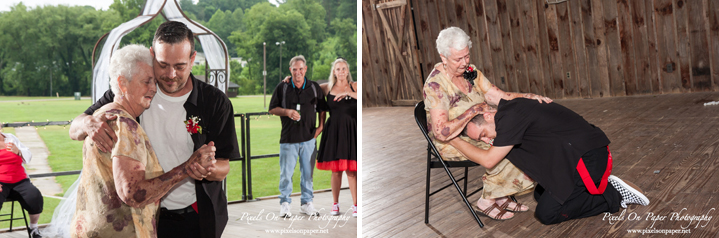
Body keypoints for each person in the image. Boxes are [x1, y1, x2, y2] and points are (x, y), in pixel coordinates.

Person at [69, 21, 239, 238]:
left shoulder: (215, 102)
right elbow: (74, 128)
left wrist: (206, 168)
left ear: (192, 59)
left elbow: (225, 165)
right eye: (162, 64)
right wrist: (87, 123)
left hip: (195, 217)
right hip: (144, 219)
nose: (170, 74)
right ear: (152, 55)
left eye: (179, 66)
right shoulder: (135, 91)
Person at [451, 98, 650, 224]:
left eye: (484, 134)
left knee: (547, 214)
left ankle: (612, 195)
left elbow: (488, 160)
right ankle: (596, 187)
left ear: (488, 115)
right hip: (577, 155)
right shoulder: (511, 109)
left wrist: (453, 140)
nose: (487, 140)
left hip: (587, 158)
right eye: (482, 140)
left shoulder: (508, 119)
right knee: (540, 194)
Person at [423, 26, 551, 220]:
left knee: (524, 141)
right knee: (506, 149)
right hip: (451, 140)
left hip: (481, 131)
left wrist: (528, 97)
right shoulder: (435, 85)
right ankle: (487, 200)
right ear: (443, 57)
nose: (465, 62)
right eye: (458, 59)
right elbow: (441, 132)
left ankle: (499, 194)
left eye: (467, 56)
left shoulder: (471, 72)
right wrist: (474, 109)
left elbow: (498, 96)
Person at [269, 55, 328, 217]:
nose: (298, 72)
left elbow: (322, 108)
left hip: (309, 139)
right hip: (288, 140)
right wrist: (287, 112)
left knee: (308, 174)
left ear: (305, 69)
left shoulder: (314, 87)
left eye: (301, 69)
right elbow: (272, 109)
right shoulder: (283, 87)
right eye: (295, 69)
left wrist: (321, 126)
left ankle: (307, 203)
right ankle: (285, 204)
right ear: (290, 70)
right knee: (286, 175)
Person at [316, 58, 357, 217]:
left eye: (344, 69)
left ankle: (355, 205)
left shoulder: (355, 86)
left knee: (352, 171)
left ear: (347, 71)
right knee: (336, 171)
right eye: (338, 69)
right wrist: (320, 125)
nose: (341, 72)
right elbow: (310, 89)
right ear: (334, 71)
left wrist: (347, 92)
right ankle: (335, 204)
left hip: (350, 130)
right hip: (334, 131)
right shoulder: (327, 88)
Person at [0, 125, 43, 238]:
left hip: (20, 180)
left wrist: (18, 151)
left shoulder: (10, 138)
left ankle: (34, 228)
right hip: (1, 182)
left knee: (34, 196)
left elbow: (28, 156)